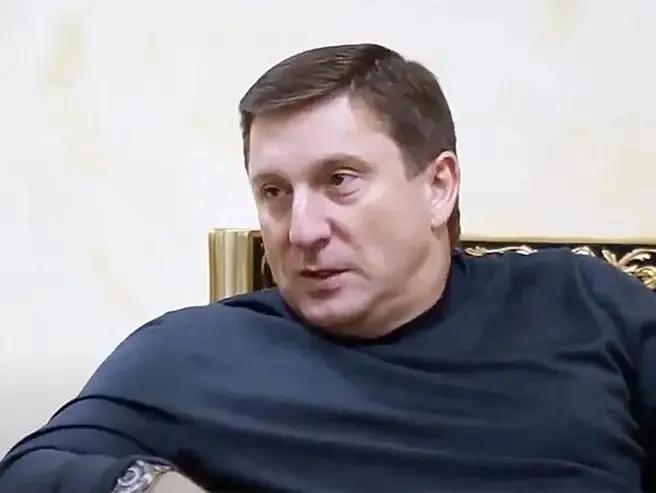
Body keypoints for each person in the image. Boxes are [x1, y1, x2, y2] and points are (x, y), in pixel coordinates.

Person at [1, 43, 654, 493]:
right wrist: (148, 484)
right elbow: (29, 470)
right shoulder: (193, 352)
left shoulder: (582, 301)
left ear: (438, 186)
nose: (302, 230)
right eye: (274, 192)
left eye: (340, 180)